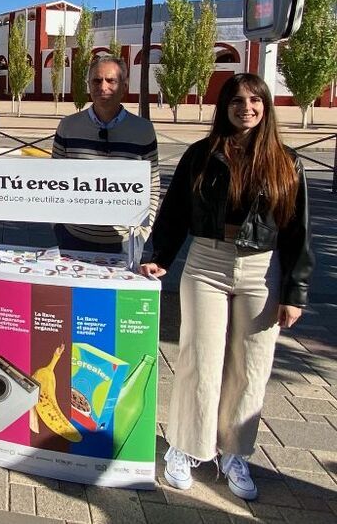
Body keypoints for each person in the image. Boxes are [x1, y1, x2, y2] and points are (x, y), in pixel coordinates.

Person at [140, 73, 313, 501]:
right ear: (224, 106)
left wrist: (295, 293)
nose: (246, 108)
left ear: (267, 107)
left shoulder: (287, 162)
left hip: (261, 270)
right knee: (199, 356)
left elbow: (297, 234)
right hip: (206, 262)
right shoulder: (201, 155)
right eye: (237, 100)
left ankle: (234, 452)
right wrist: (157, 256)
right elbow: (175, 210)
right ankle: (186, 447)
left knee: (251, 366)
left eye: (255, 100)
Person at [51, 54, 159, 254]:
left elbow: (151, 186)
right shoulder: (68, 126)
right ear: (89, 85)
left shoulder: (143, 131)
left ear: (124, 86)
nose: (103, 87)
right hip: (73, 237)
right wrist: (58, 225)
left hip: (125, 240)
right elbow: (54, 180)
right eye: (96, 80)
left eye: (111, 80)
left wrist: (143, 231)